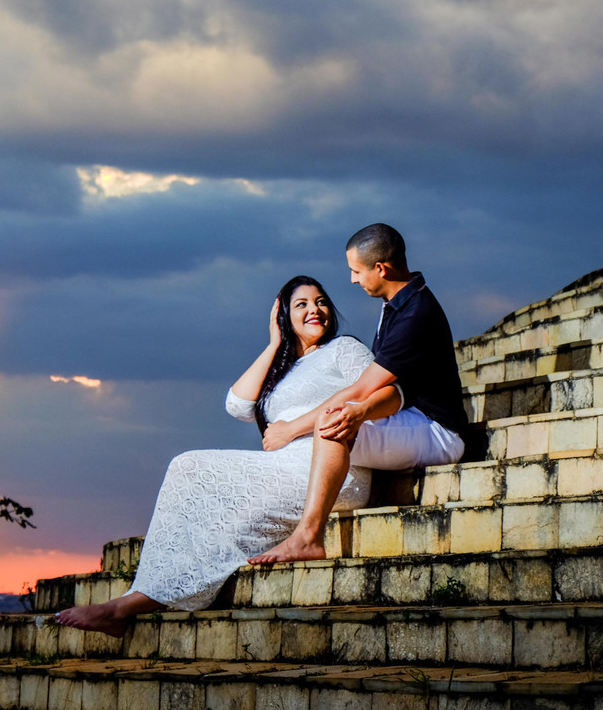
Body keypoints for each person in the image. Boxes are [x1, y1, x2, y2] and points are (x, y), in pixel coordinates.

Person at [53, 275, 401, 636]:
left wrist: (293, 427)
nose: (315, 310)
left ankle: (123, 607)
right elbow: (237, 404)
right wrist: (274, 343)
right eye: (301, 304)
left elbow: (374, 392)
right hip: (283, 466)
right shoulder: (283, 368)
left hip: (330, 467)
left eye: (321, 301)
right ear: (284, 315)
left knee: (194, 472)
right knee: (187, 469)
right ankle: (135, 599)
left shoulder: (343, 348)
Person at [248, 223, 467, 565]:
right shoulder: (398, 301)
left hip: (438, 431)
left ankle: (307, 537)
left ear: (381, 269)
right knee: (336, 419)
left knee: (330, 422)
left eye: (356, 270)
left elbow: (364, 387)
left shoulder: (416, 313)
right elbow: (383, 392)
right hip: (406, 416)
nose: (352, 279)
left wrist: (291, 428)